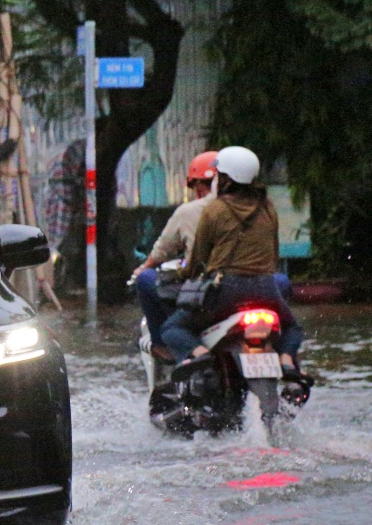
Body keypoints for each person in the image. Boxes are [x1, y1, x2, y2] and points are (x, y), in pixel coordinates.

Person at [159, 146, 303, 371]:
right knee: (292, 328)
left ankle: (201, 353)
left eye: (217, 175)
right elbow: (274, 254)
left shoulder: (214, 210)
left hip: (226, 291)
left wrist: (182, 274)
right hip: (266, 288)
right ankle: (286, 361)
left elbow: (198, 259)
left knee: (172, 328)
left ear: (225, 179)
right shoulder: (268, 208)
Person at [130, 152, 219, 348]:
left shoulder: (192, 211)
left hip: (211, 290)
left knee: (170, 325)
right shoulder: (262, 209)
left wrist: (144, 267)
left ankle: (164, 348)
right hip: (256, 286)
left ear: (202, 185)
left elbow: (162, 251)